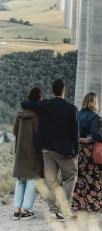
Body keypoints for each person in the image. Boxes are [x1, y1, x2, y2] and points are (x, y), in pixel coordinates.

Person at [21, 79, 79, 222]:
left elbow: (24, 103)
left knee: (50, 181)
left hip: (47, 150)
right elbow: (74, 133)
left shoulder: (45, 105)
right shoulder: (71, 109)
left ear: (52, 91)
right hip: (66, 152)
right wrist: (76, 151)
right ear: (64, 90)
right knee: (70, 178)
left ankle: (53, 212)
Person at [72, 92, 102, 212]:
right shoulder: (94, 117)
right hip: (88, 150)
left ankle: (77, 203)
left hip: (76, 149)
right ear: (94, 102)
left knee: (79, 176)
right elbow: (96, 134)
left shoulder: (77, 114)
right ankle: (92, 204)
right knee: (92, 176)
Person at [13, 87, 44, 221]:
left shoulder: (19, 114)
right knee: (32, 180)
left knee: (20, 181)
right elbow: (40, 135)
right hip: (33, 151)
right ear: (39, 98)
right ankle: (26, 211)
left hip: (20, 151)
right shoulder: (38, 116)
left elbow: (15, 131)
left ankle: (16, 210)